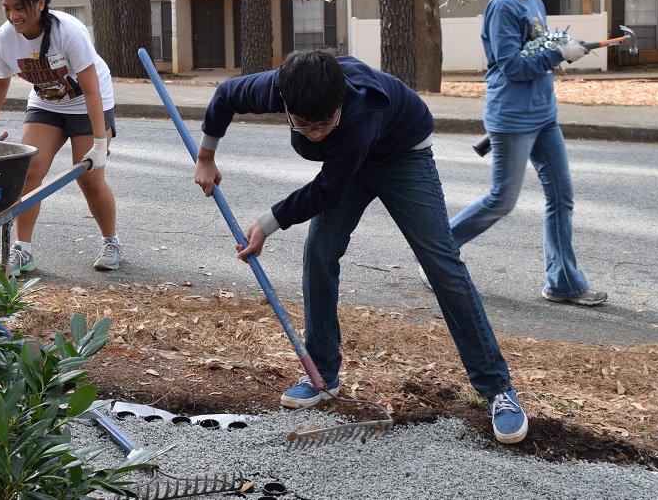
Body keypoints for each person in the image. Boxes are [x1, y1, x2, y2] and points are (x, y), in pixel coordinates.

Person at [194, 50, 529, 444]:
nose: (315, 134)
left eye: (324, 124)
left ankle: (497, 389)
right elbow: (225, 95)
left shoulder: (359, 114)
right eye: (304, 125)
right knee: (319, 253)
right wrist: (205, 156)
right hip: (348, 162)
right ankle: (323, 375)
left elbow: (329, 188)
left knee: (442, 265)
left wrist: (267, 223)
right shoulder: (280, 87)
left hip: (402, 153)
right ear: (285, 101)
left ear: (340, 105)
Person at [446, 0, 606, 307]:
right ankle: (438, 251)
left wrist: (562, 47)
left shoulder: (534, 2)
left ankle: (563, 283)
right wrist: (559, 56)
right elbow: (512, 66)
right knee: (502, 200)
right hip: (513, 118)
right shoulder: (502, 6)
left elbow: (536, 48)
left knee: (561, 197)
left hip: (543, 115)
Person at [0, 0, 121, 275]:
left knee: (89, 177)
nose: (12, 16)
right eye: (6, 8)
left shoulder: (68, 32)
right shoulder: (5, 39)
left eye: (19, 8)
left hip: (87, 103)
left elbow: (91, 88)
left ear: (40, 3)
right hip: (46, 103)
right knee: (28, 170)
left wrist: (100, 143)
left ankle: (111, 242)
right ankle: (23, 250)